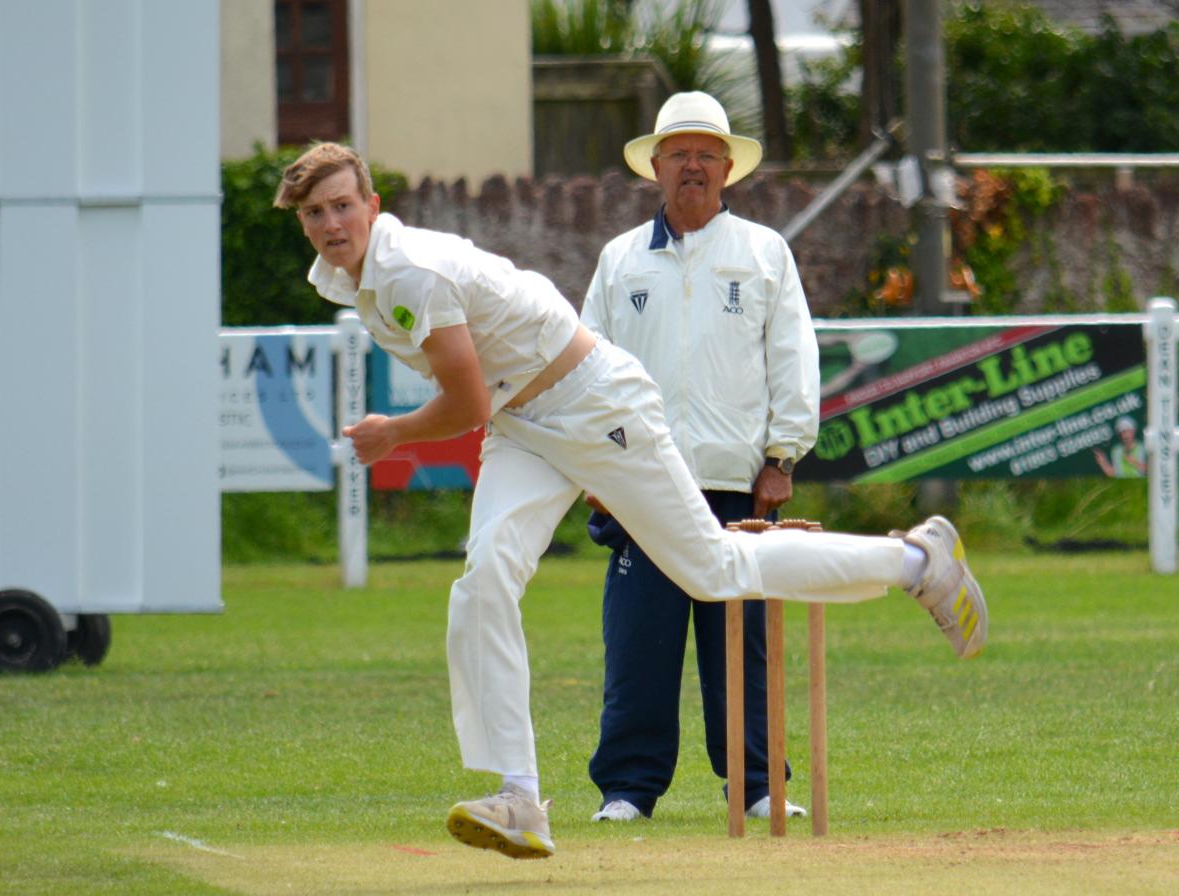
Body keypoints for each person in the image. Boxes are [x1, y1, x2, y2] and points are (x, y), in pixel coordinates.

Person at [275, 141, 988, 862]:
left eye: (342, 206)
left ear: (373, 208)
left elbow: (462, 402)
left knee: (713, 568)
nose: (331, 224)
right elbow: (483, 397)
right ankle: (520, 797)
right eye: (314, 212)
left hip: (593, 403)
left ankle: (915, 559)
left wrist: (392, 434)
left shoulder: (407, 270)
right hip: (523, 423)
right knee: (486, 576)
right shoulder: (343, 277)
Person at [580, 91, 815, 824]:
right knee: (639, 647)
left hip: (736, 484)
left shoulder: (762, 251)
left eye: (706, 153)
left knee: (740, 649)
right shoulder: (620, 261)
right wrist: (594, 466)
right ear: (655, 166)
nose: (692, 165)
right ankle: (626, 791)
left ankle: (756, 785)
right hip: (644, 484)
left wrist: (782, 454)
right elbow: (584, 365)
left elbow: (793, 357)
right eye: (678, 152)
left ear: (727, 168)